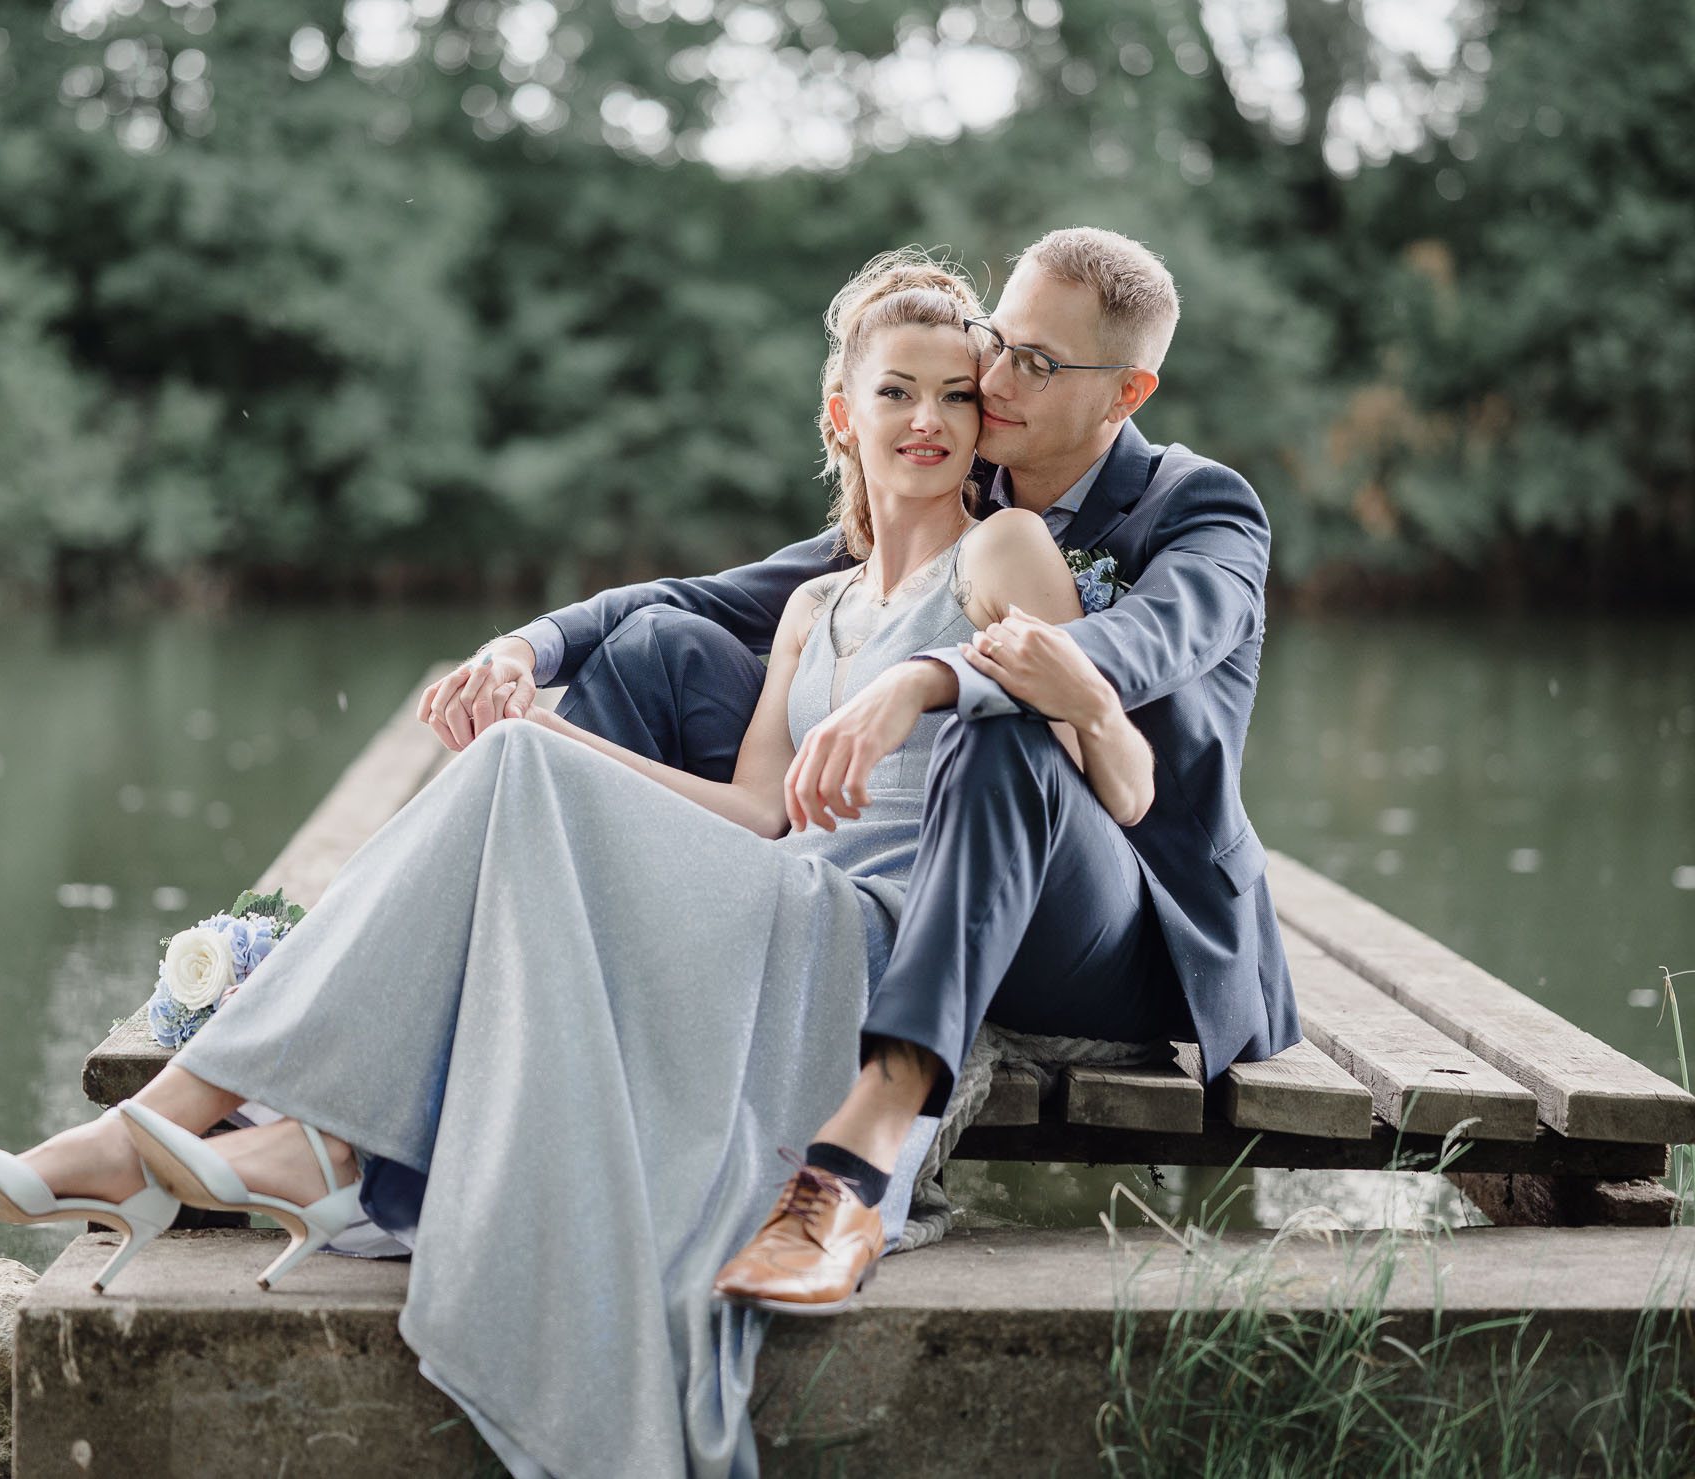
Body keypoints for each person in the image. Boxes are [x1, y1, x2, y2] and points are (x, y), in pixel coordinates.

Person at [0, 250, 1150, 1479]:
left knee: (518, 771)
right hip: (771, 891)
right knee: (516, 758)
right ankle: (242, 1140)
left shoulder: (1002, 558)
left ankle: (198, 1137)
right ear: (842, 414)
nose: (927, 421)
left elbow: (1099, 764)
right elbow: (756, 815)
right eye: (896, 392)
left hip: (863, 946)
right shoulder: (807, 612)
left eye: (953, 395)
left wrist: (1012, 700)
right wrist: (555, 739)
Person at [422, 226, 1301, 1313]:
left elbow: (1145, 645)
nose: (991, 377)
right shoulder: (960, 462)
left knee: (1001, 725)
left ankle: (861, 1159)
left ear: (1127, 390)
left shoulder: (1201, 506)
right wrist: (528, 649)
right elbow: (710, 595)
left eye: (1037, 361)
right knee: (661, 651)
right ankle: (522, 1000)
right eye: (997, 340)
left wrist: (936, 675)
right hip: (943, 871)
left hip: (1121, 923)